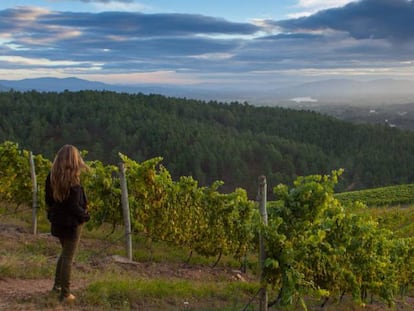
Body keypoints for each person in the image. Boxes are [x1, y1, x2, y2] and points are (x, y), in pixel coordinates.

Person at [45, 144, 90, 302]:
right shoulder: (74, 183)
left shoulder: (51, 177)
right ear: (73, 160)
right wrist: (85, 216)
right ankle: (65, 293)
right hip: (72, 225)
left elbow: (49, 201)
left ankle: (57, 286)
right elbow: (73, 207)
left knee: (64, 255)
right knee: (68, 258)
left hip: (58, 223)